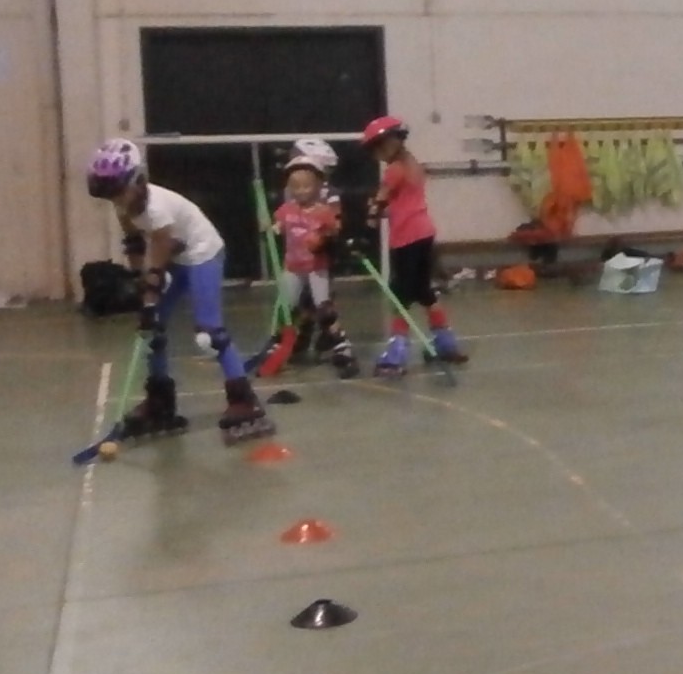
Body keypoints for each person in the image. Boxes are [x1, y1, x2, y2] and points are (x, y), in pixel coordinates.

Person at [84, 139, 273, 443]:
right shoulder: (124, 206)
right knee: (152, 329)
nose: (116, 200)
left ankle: (243, 399)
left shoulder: (156, 209)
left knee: (209, 332)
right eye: (110, 195)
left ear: (137, 180)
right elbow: (135, 243)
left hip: (202, 253)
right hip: (177, 256)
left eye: (118, 191)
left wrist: (151, 288)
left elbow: (161, 253)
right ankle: (160, 400)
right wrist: (140, 281)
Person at [363, 115, 467, 373]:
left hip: (406, 237)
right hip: (424, 232)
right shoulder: (413, 164)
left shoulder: (394, 170)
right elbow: (401, 201)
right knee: (423, 290)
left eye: (380, 145)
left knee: (400, 295)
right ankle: (445, 343)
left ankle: (396, 354)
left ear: (395, 141)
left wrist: (371, 217)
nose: (378, 152)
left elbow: (381, 200)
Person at [273, 139, 357, 379]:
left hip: (318, 262)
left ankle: (340, 344)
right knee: (292, 305)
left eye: (306, 185)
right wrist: (272, 227)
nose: (301, 191)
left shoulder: (326, 202)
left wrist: (324, 238)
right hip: (294, 264)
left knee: (323, 307)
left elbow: (335, 225)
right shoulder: (289, 206)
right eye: (296, 186)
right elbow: (279, 222)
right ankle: (288, 341)